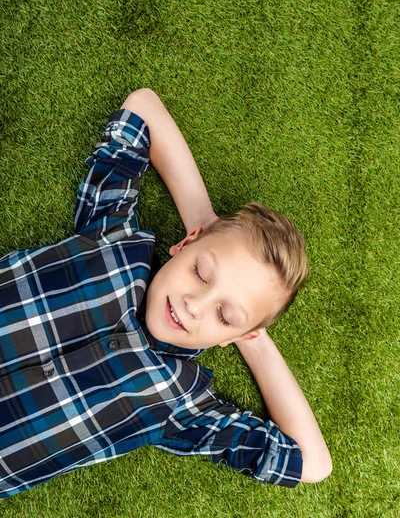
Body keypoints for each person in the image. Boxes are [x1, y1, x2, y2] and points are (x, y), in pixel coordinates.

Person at [0, 88, 332, 498]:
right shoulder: (113, 237)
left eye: (225, 316)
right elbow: (143, 108)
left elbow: (311, 461)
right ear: (184, 244)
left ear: (235, 336)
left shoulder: (182, 404)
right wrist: (204, 224)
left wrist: (254, 339)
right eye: (200, 271)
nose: (194, 305)